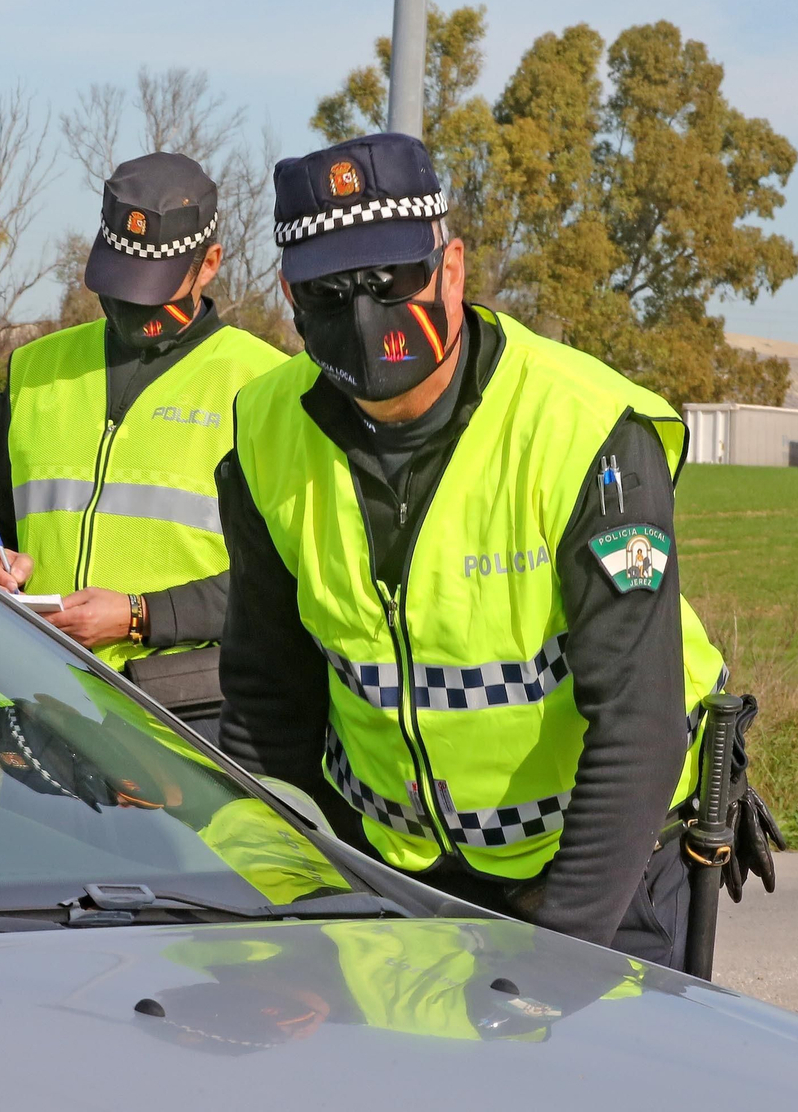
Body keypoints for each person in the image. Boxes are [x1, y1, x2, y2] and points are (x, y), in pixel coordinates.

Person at [216, 132, 743, 969]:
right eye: (331, 290)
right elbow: (265, 705)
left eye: (393, 281)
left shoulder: (584, 432)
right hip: (396, 875)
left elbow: (637, 726)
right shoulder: (264, 437)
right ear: (288, 294)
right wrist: (288, 916)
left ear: (451, 266)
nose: (366, 315)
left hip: (603, 876)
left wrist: (553, 966)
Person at [0, 152, 286, 730]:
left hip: (185, 728)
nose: (131, 304)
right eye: (119, 283)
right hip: (38, 714)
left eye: (151, 287)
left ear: (209, 264)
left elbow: (289, 582)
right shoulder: (36, 367)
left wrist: (141, 617)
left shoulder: (267, 387)